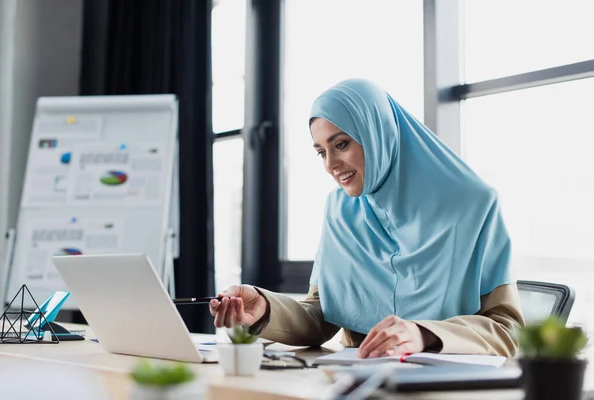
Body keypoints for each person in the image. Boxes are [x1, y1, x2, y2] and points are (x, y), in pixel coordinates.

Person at [209, 78, 524, 358]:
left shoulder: (472, 204)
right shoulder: (340, 210)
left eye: (341, 144)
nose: (331, 164)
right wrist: (264, 310)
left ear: (378, 134)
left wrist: (423, 334)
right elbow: (324, 314)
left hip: (443, 386)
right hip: (355, 379)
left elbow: (507, 329)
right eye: (321, 151)